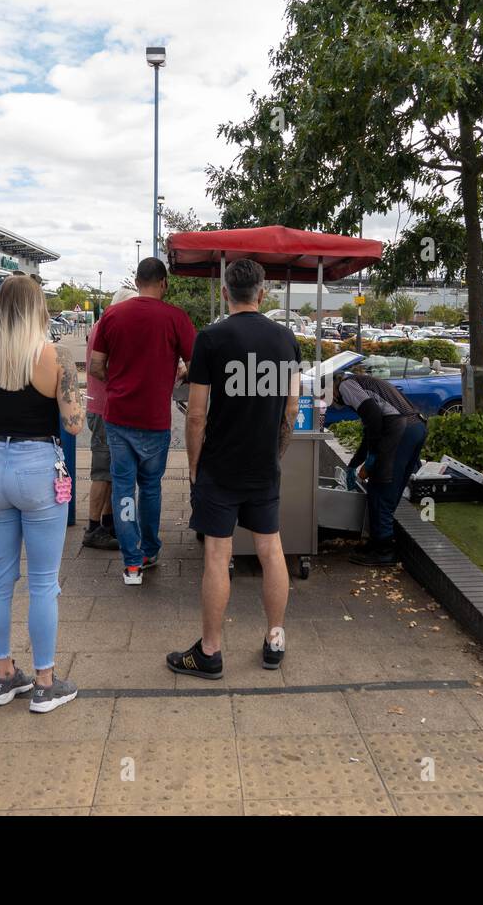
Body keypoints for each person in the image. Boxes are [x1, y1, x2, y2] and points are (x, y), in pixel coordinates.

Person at [0, 275, 85, 714]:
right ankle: (45, 683)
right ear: (39, 308)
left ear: (0, 310)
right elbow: (75, 423)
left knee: (0, 578)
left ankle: (4, 677)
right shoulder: (54, 356)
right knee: (44, 582)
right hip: (39, 467)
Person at [168, 259, 300, 680]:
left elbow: (196, 416)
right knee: (271, 550)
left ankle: (210, 652)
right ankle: (275, 639)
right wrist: (275, 454)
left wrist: (193, 468)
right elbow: (291, 409)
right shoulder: (286, 340)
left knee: (217, 555)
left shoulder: (211, 338)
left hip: (220, 468)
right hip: (263, 467)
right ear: (262, 294)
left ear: (226, 293)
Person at [88, 257, 196, 586]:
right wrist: (178, 371)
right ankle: (149, 550)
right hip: (155, 420)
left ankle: (131, 563)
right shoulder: (176, 318)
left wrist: (119, 380)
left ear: (136, 282)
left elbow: (95, 366)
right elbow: (195, 363)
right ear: (163, 283)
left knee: (123, 489)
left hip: (118, 418)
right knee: (150, 489)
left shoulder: (112, 315)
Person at [333, 367, 427, 566]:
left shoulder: (345, 385)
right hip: (415, 427)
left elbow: (374, 418)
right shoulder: (363, 382)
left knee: (381, 488)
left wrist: (372, 458)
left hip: (400, 430)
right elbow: (371, 428)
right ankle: (378, 542)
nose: (333, 402)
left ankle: (384, 551)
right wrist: (354, 464)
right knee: (391, 489)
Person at [81, 286, 137, 550]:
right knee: (103, 472)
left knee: (112, 470)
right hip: (105, 408)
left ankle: (107, 522)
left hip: (103, 407)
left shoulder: (104, 325)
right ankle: (93, 527)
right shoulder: (109, 327)